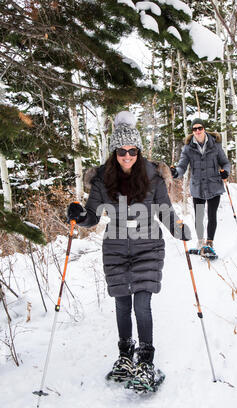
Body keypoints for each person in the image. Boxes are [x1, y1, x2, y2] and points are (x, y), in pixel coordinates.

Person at [67, 111, 191, 392]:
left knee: (141, 303)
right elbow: (93, 217)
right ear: (114, 151)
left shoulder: (154, 178)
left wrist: (179, 229)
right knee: (122, 303)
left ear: (138, 150)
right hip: (115, 245)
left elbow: (166, 212)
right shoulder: (102, 180)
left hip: (148, 244)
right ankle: (125, 357)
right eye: (121, 151)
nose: (127, 156)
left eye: (132, 151)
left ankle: (146, 361)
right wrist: (78, 215)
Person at [171, 118, 230, 258]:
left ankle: (209, 243)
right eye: (194, 129)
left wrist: (226, 172)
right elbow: (182, 166)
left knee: (211, 215)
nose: (197, 131)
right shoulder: (188, 148)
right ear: (192, 131)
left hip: (214, 184)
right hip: (197, 187)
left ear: (204, 129)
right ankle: (200, 241)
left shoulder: (215, 145)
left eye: (200, 128)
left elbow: (225, 162)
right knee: (199, 216)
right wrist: (175, 172)